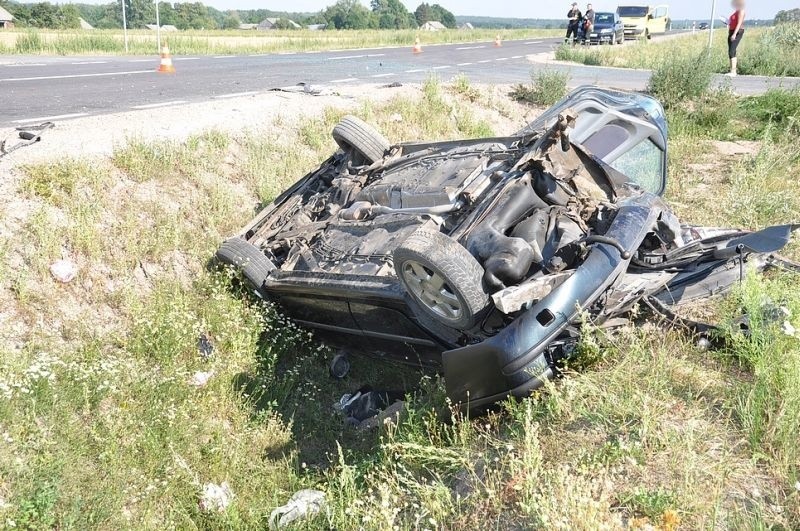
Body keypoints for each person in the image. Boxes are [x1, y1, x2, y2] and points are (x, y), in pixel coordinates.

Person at [727, 0, 745, 76]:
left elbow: (739, 23)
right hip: (731, 31)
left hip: (737, 32)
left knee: (732, 50)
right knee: (731, 51)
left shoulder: (741, 10)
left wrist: (734, 34)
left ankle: (733, 71)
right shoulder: (736, 11)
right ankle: (732, 70)